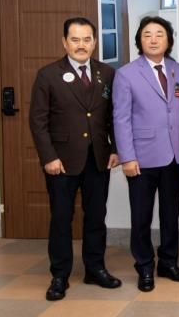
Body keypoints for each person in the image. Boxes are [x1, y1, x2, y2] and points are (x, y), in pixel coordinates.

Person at [29, 17, 121, 301]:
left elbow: (113, 116)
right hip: (62, 161)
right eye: (75, 39)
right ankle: (59, 275)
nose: (82, 45)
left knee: (96, 217)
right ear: (64, 42)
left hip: (98, 158)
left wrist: (116, 148)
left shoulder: (107, 73)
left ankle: (95, 269)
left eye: (87, 39)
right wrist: (49, 157)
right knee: (61, 218)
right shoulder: (48, 75)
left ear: (94, 42)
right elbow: (38, 122)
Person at [113, 16, 179, 292]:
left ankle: (168, 262)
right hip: (141, 158)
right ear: (139, 40)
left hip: (174, 156)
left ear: (169, 40)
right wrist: (127, 157)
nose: (154, 39)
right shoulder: (126, 74)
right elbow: (121, 118)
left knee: (171, 215)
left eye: (160, 34)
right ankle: (144, 266)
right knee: (141, 216)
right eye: (147, 34)